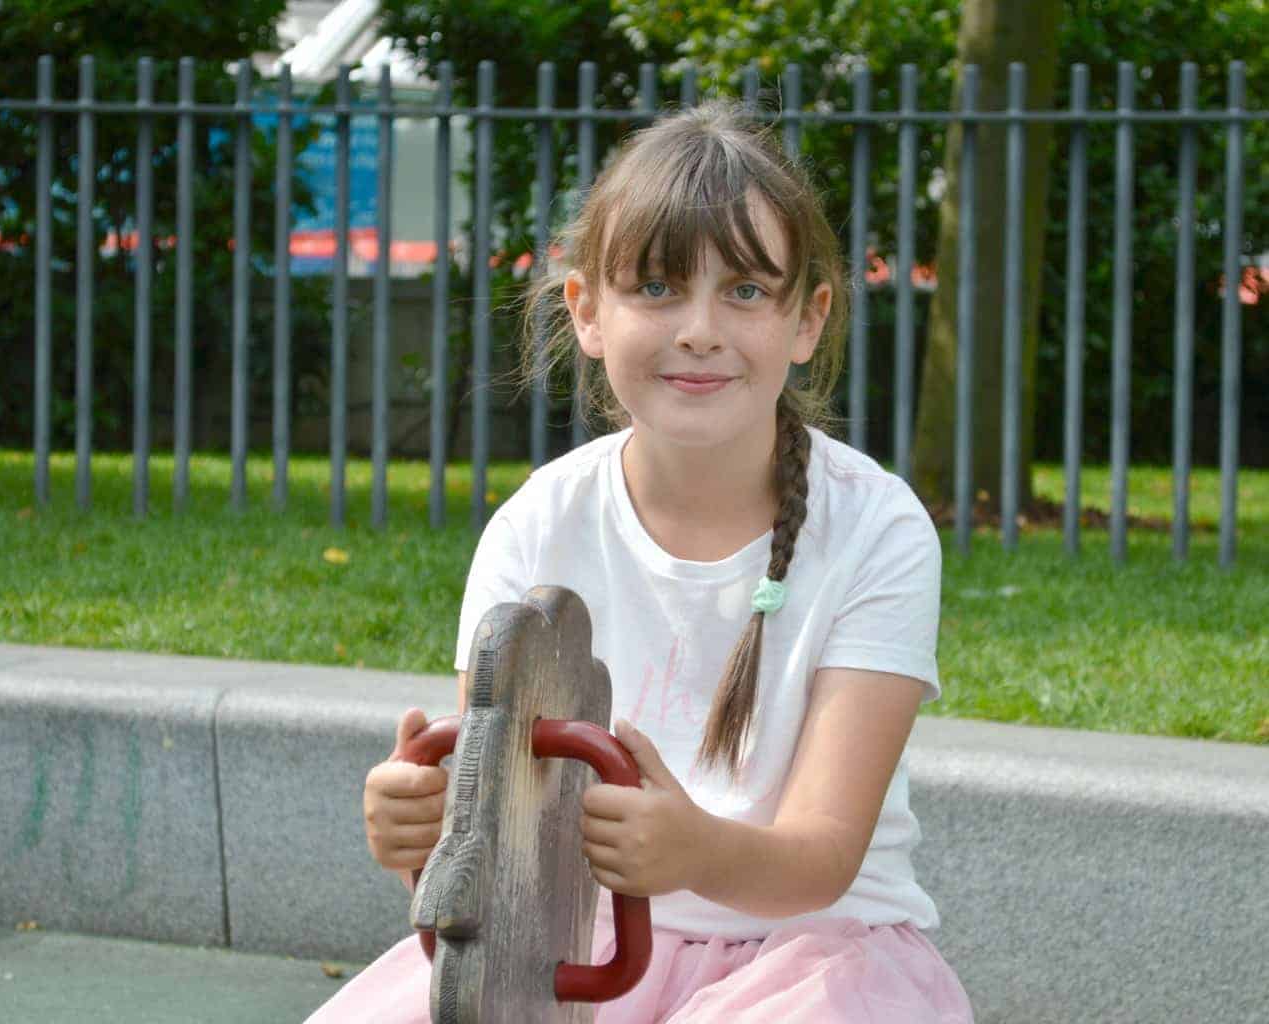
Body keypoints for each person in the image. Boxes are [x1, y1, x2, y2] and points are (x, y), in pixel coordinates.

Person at [307, 101, 972, 1023]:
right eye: (658, 288)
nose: (699, 329)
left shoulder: (876, 530)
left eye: (744, 291)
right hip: (570, 942)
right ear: (586, 310)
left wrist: (692, 849)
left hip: (812, 958)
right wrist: (418, 833)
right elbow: (496, 835)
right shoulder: (539, 523)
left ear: (807, 320)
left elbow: (821, 859)